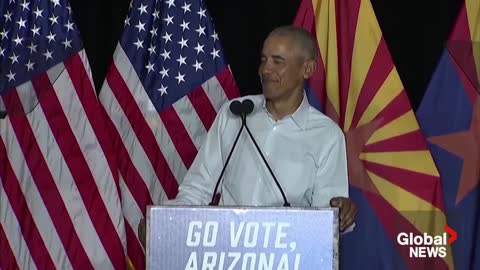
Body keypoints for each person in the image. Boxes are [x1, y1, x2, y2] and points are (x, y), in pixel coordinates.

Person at [139, 25, 357, 247]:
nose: (265, 69)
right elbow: (197, 190)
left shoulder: (327, 135)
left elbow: (327, 217)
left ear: (307, 69)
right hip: (224, 252)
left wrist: (341, 215)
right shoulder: (235, 113)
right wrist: (162, 220)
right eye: (263, 60)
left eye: (277, 61)